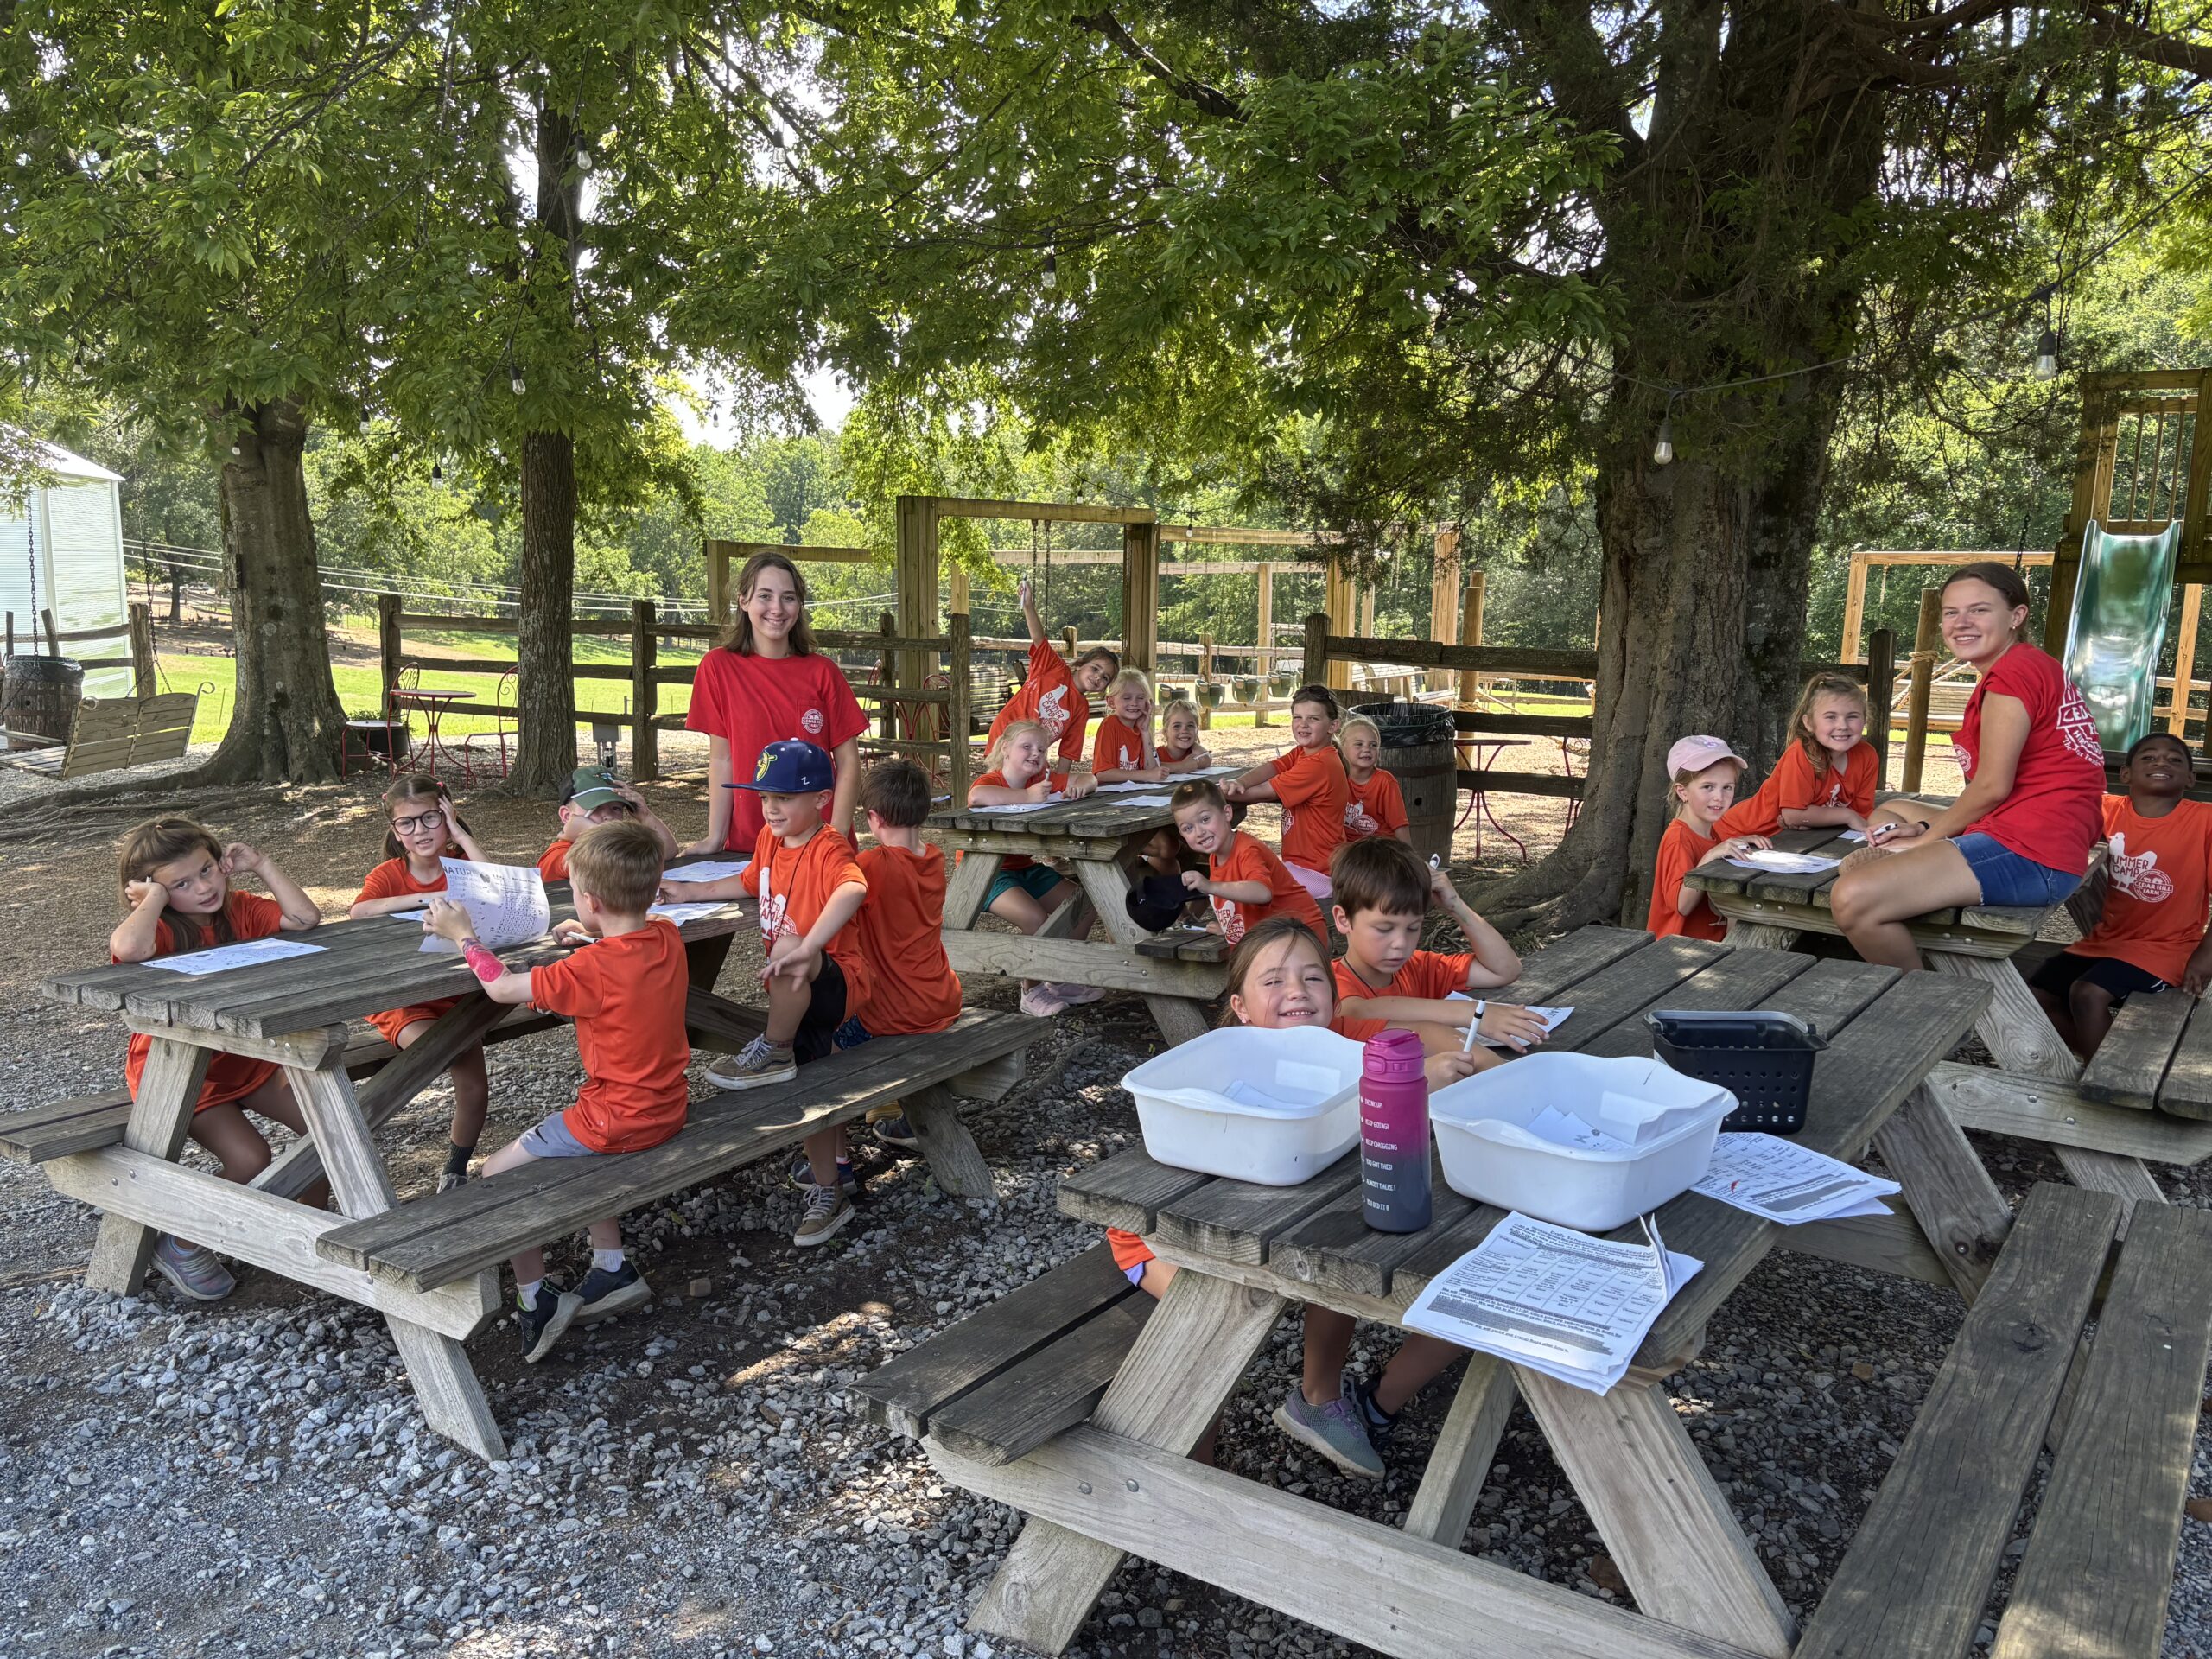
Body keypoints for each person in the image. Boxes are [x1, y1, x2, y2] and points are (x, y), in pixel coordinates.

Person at [1103, 918, 1484, 1477]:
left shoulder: (1338, 1059)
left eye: (1312, 978)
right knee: (1214, 1320)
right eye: (1274, 981)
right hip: (1162, 1240)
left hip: (1286, 1223)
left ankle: (1321, 1398)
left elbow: (1379, 1100)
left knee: (1345, 1261)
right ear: (1240, 1004)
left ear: (1333, 997)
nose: (1296, 992)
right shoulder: (1216, 1066)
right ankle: (1197, 1476)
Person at [424, 820, 689, 1362]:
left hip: (615, 1121)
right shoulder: (665, 936)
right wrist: (591, 938)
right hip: (667, 1108)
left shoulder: (589, 969)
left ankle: (535, 1298)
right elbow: (625, 956)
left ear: (588, 899)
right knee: (569, 1147)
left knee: (498, 1174)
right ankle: (611, 1268)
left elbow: (499, 987)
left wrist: (462, 935)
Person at [1832, 562, 2106, 971]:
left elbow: (1993, 785)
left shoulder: (2012, 675)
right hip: (2029, 831)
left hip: (2034, 852)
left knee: (1853, 898)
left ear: (2016, 616)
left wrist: (1926, 844)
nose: (1961, 623)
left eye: (1979, 610)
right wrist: (1925, 830)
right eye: (1950, 612)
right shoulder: (2026, 665)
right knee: (1893, 811)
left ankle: (1929, 1006)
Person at [110, 818, 324, 1302]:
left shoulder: (240, 909)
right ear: (154, 894)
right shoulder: (159, 929)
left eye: (208, 870)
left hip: (250, 1063)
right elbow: (127, 948)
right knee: (250, 1157)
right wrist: (156, 902)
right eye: (181, 884)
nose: (203, 888)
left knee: (327, 1128)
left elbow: (306, 919)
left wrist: (262, 864)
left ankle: (314, 1236)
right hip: (185, 1073)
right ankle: (182, 1243)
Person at [697, 740, 875, 1245]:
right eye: (763, 797)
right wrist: (688, 892)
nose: (770, 807)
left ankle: (772, 1049)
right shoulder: (770, 842)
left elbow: (854, 888)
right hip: (796, 988)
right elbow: (747, 883)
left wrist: (807, 946)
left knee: (791, 950)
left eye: (784, 797)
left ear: (821, 799)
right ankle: (830, 1186)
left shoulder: (830, 846)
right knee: (809, 1079)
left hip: (838, 981)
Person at [349, 773, 494, 1192]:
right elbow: (360, 913)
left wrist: (462, 837)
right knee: (448, 1051)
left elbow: (497, 889)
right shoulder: (389, 874)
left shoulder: (463, 868)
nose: (420, 831)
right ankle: (360, 1142)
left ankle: (455, 1168)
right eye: (407, 824)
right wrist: (424, 899)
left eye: (431, 819)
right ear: (395, 831)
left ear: (447, 816)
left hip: (459, 994)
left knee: (474, 1083)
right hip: (406, 1001)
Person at [2031, 731, 2212, 1057]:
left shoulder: (2204, 822)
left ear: (2191, 778)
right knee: (2034, 993)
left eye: (2174, 760)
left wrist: (2205, 957)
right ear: (2125, 774)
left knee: (2087, 994)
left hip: (2168, 949)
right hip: (2107, 941)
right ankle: (2101, 1062)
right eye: (2148, 757)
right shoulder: (2104, 810)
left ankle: (2107, 1075)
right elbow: (2048, 805)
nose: (2161, 762)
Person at [687, 550, 870, 855]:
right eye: (765, 596)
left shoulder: (823, 672)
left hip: (818, 843)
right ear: (743, 601)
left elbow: (849, 763)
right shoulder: (717, 667)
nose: (777, 608)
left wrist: (835, 839)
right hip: (750, 844)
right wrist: (715, 839)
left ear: (799, 605)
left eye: (788, 597)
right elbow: (722, 760)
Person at [836, 760, 963, 1153]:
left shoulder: (872, 866)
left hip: (896, 1014)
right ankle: (902, 1116)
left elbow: (833, 889)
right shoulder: (935, 858)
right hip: (942, 998)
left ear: (873, 818)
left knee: (818, 1045)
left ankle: (833, 1156)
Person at [1328, 836, 1545, 1057]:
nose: (1401, 943)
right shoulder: (1326, 984)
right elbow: (1357, 1010)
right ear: (1343, 920)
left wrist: (1455, 904)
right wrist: (1473, 1013)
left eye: (1413, 928)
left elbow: (1505, 970)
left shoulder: (1419, 968)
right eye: (1384, 929)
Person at [968, 719, 1103, 1016]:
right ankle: (1031, 990)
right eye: (1026, 747)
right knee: (1035, 918)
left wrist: (1080, 788)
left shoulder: (1040, 780)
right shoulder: (992, 781)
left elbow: (1090, 778)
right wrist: (1026, 797)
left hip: (1025, 867)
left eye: (1041, 749)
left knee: (1085, 903)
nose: (1035, 754)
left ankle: (1059, 976)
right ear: (1005, 749)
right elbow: (977, 798)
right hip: (989, 872)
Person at [1224, 683, 1351, 905]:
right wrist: (1240, 782)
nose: (1303, 725)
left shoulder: (1319, 764)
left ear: (1333, 726)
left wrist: (1219, 795)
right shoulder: (1305, 752)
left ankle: (1242, 933)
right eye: (1297, 717)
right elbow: (1273, 767)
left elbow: (1262, 793)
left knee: (1246, 881)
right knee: (1244, 870)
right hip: (1303, 866)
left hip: (1318, 873)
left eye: (1313, 719)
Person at [1716, 673, 1878, 839]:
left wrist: (1814, 819)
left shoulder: (1867, 756)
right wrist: (1846, 816)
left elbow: (1862, 814)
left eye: (1852, 717)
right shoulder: (1802, 753)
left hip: (1789, 843)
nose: (1842, 726)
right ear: (1809, 723)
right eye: (1831, 717)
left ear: (1865, 720)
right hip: (1739, 836)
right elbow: (1793, 815)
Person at [987, 575, 1120, 778]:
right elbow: (1038, 638)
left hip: (1033, 752)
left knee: (1048, 787)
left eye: (1105, 678)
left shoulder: (1081, 708)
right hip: (1005, 735)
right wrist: (1029, 605)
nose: (1098, 677)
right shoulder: (1054, 668)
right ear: (1081, 664)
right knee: (1004, 783)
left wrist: (1061, 783)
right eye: (1095, 668)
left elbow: (1069, 749)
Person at [1170, 778, 1326, 944]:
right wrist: (1228, 927)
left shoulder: (1247, 850)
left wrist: (1209, 886)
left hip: (1302, 933)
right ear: (1181, 834)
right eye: (1188, 828)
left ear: (1227, 813)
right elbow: (1239, 901)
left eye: (1205, 819)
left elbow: (1262, 892)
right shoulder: (1216, 856)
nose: (1199, 832)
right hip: (1273, 936)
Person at [1647, 735, 1771, 941]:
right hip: (1675, 951)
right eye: (1708, 787)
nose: (1719, 798)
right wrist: (1709, 857)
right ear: (1682, 791)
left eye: (1727, 787)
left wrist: (1740, 840)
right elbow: (1682, 905)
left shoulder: (1712, 833)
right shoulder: (1678, 838)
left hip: (1711, 946)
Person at [539, 766, 679, 883]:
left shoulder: (620, 846)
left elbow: (668, 852)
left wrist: (645, 815)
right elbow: (610, 864)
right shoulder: (558, 854)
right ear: (567, 816)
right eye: (596, 808)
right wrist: (595, 831)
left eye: (616, 808)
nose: (609, 816)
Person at [1338, 714, 1411, 846]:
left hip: (1380, 849)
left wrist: (1410, 858)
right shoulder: (1337, 778)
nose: (1367, 749)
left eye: (1373, 745)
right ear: (1342, 748)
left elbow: (1399, 826)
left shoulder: (1385, 782)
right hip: (1348, 850)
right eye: (1359, 744)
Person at [1090, 669, 1167, 785]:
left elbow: (1152, 769)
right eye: (1127, 698)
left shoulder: (1140, 727)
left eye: (1140, 698)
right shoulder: (1110, 725)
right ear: (1111, 702)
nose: (1134, 703)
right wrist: (1144, 775)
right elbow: (1102, 773)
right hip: (1109, 794)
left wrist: (1145, 732)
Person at [1157, 698, 1211, 772]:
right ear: (1165, 731)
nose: (1184, 731)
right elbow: (1151, 767)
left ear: (1197, 730)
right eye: (1177, 726)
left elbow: (1206, 758)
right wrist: (1182, 766)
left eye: (1190, 726)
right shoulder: (1157, 754)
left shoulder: (1193, 754)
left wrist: (1193, 741)